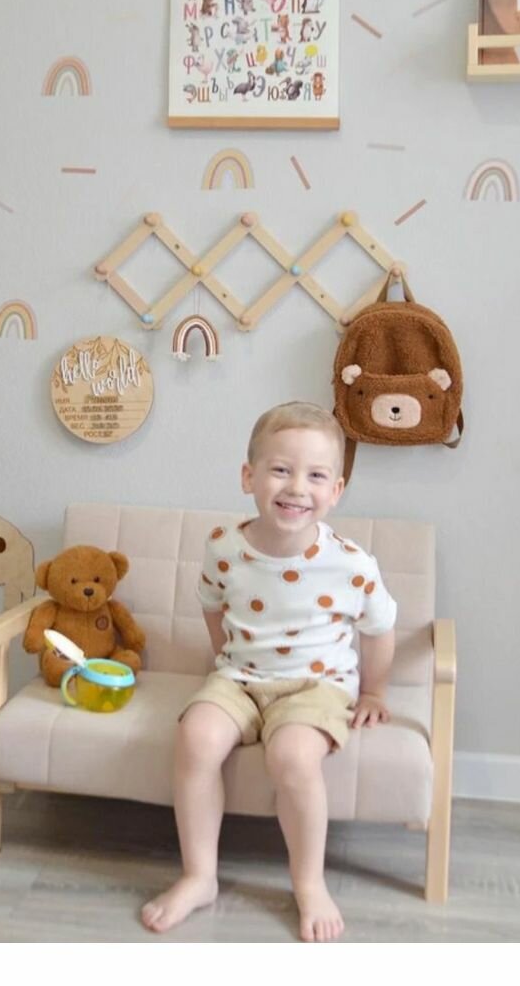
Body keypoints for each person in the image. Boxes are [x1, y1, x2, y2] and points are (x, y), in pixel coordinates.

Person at [141, 401, 397, 942]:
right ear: (248, 476)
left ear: (336, 490)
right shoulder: (224, 548)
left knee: (292, 756)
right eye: (281, 469)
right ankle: (199, 876)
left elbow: (380, 627)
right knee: (195, 738)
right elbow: (212, 605)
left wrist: (374, 690)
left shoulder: (351, 563)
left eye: (316, 476)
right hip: (239, 677)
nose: (296, 487)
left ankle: (309, 883)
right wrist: (224, 661)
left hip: (316, 686)